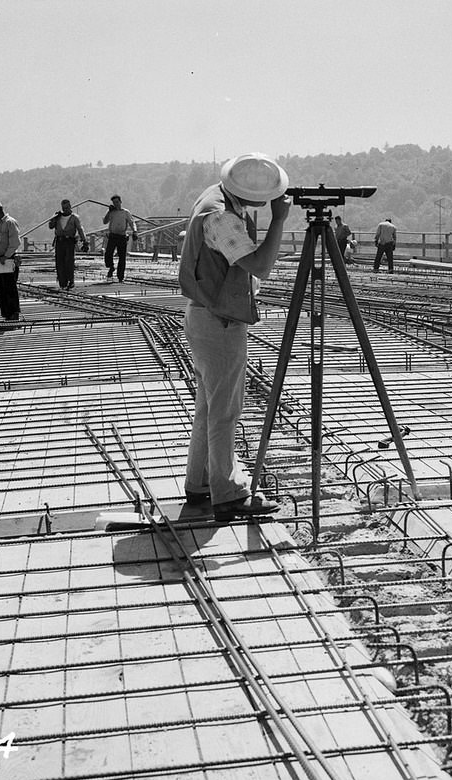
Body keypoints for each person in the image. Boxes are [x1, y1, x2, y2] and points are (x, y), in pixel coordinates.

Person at [178, 152, 291, 523]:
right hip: (218, 321)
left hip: (206, 314)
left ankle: (200, 485)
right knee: (225, 410)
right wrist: (279, 222)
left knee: (210, 407)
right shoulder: (222, 215)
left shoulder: (215, 196)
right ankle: (227, 495)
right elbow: (259, 266)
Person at [48, 199, 87, 289]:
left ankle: (70, 281)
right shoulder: (58, 216)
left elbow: (80, 229)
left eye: (67, 207)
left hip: (69, 241)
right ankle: (62, 283)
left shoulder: (74, 217)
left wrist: (84, 241)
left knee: (69, 261)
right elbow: (50, 226)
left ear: (70, 207)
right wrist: (54, 218)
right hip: (59, 241)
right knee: (59, 262)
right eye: (64, 208)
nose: (65, 209)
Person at [102, 194, 136, 282]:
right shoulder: (111, 212)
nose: (116, 204)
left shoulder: (125, 212)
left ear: (120, 202)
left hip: (122, 236)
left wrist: (135, 231)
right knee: (108, 253)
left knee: (122, 257)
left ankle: (120, 277)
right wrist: (109, 212)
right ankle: (111, 266)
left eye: (117, 202)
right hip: (112, 236)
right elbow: (105, 222)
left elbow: (132, 222)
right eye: (114, 203)